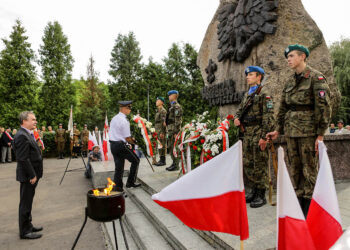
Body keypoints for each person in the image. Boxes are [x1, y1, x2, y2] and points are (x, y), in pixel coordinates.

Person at [267, 44, 331, 217]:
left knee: (309, 170)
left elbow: (323, 108)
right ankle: (298, 204)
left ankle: (311, 208)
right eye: (288, 57)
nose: (288, 59)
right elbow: (282, 108)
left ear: (302, 57)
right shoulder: (289, 81)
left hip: (308, 133)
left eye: (292, 56)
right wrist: (277, 130)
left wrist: (320, 135)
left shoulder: (315, 78)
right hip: (291, 133)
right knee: (295, 169)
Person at [234, 66, 274, 208]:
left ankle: (261, 194)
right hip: (247, 133)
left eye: (251, 74)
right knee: (249, 163)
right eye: (247, 75)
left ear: (259, 77)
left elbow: (268, 116)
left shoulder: (264, 92)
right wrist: (236, 118)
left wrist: (264, 137)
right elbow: (239, 111)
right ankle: (253, 191)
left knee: (260, 164)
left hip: (258, 132)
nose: (247, 77)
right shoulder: (247, 94)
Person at [13, 111, 43, 239]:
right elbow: (23, 158)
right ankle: (24, 231)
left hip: (31, 175)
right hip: (28, 176)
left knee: (28, 201)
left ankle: (28, 225)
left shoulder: (26, 134)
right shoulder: (21, 135)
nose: (35, 122)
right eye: (33, 119)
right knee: (25, 203)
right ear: (24, 121)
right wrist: (32, 175)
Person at [109, 101, 141, 191]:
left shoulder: (114, 118)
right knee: (136, 160)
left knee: (119, 168)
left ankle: (118, 188)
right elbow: (127, 138)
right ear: (124, 108)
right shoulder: (124, 120)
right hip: (120, 146)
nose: (130, 110)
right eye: (129, 108)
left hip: (113, 145)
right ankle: (130, 183)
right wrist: (137, 142)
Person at [166, 90, 183, 171]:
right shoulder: (171, 106)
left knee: (174, 147)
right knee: (170, 146)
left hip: (174, 130)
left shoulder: (177, 107)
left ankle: (176, 165)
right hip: (170, 129)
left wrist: (176, 132)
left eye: (170, 95)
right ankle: (174, 163)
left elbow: (178, 120)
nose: (169, 97)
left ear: (174, 96)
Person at [154, 96, 167, 166]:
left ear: (162, 102)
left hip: (161, 131)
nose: (156, 102)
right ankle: (160, 159)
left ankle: (163, 161)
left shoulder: (163, 111)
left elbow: (164, 122)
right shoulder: (158, 110)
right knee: (159, 145)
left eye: (158, 101)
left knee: (163, 145)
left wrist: (162, 132)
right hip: (157, 130)